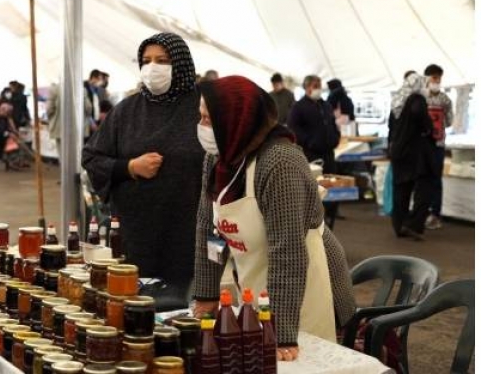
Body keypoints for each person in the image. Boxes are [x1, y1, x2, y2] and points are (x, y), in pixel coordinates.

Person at [192, 76, 355, 360]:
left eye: (209, 119)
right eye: (200, 118)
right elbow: (210, 231)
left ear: (236, 119)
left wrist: (279, 332)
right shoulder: (218, 159)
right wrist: (207, 294)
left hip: (307, 288)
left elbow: (288, 253)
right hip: (260, 285)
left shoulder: (279, 162)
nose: (201, 127)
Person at [82, 32, 205, 308]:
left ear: (182, 64)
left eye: (162, 60)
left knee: (184, 315)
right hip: (138, 234)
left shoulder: (203, 108)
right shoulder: (127, 111)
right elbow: (92, 157)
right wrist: (129, 167)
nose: (153, 68)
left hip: (188, 233)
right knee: (136, 310)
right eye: (146, 60)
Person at [388, 73, 438, 241]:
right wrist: (428, 128)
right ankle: (414, 224)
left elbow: (391, 127)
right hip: (414, 152)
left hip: (398, 151)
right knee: (426, 188)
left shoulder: (397, 100)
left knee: (401, 189)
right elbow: (419, 114)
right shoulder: (417, 99)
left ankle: (399, 225)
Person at [288, 75, 340, 174]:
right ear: (307, 87)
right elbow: (293, 128)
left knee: (331, 182)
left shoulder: (326, 105)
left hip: (329, 154)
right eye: (315, 86)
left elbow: (333, 124)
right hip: (310, 155)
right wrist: (309, 142)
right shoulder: (298, 107)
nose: (318, 89)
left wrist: (336, 137)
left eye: (319, 86)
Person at [422, 64, 453, 230]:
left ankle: (435, 214)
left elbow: (449, 121)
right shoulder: (420, 98)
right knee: (421, 179)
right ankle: (421, 212)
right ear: (426, 78)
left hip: (438, 144)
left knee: (435, 179)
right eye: (434, 78)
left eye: (439, 78)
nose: (437, 81)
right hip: (421, 145)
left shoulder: (445, 99)